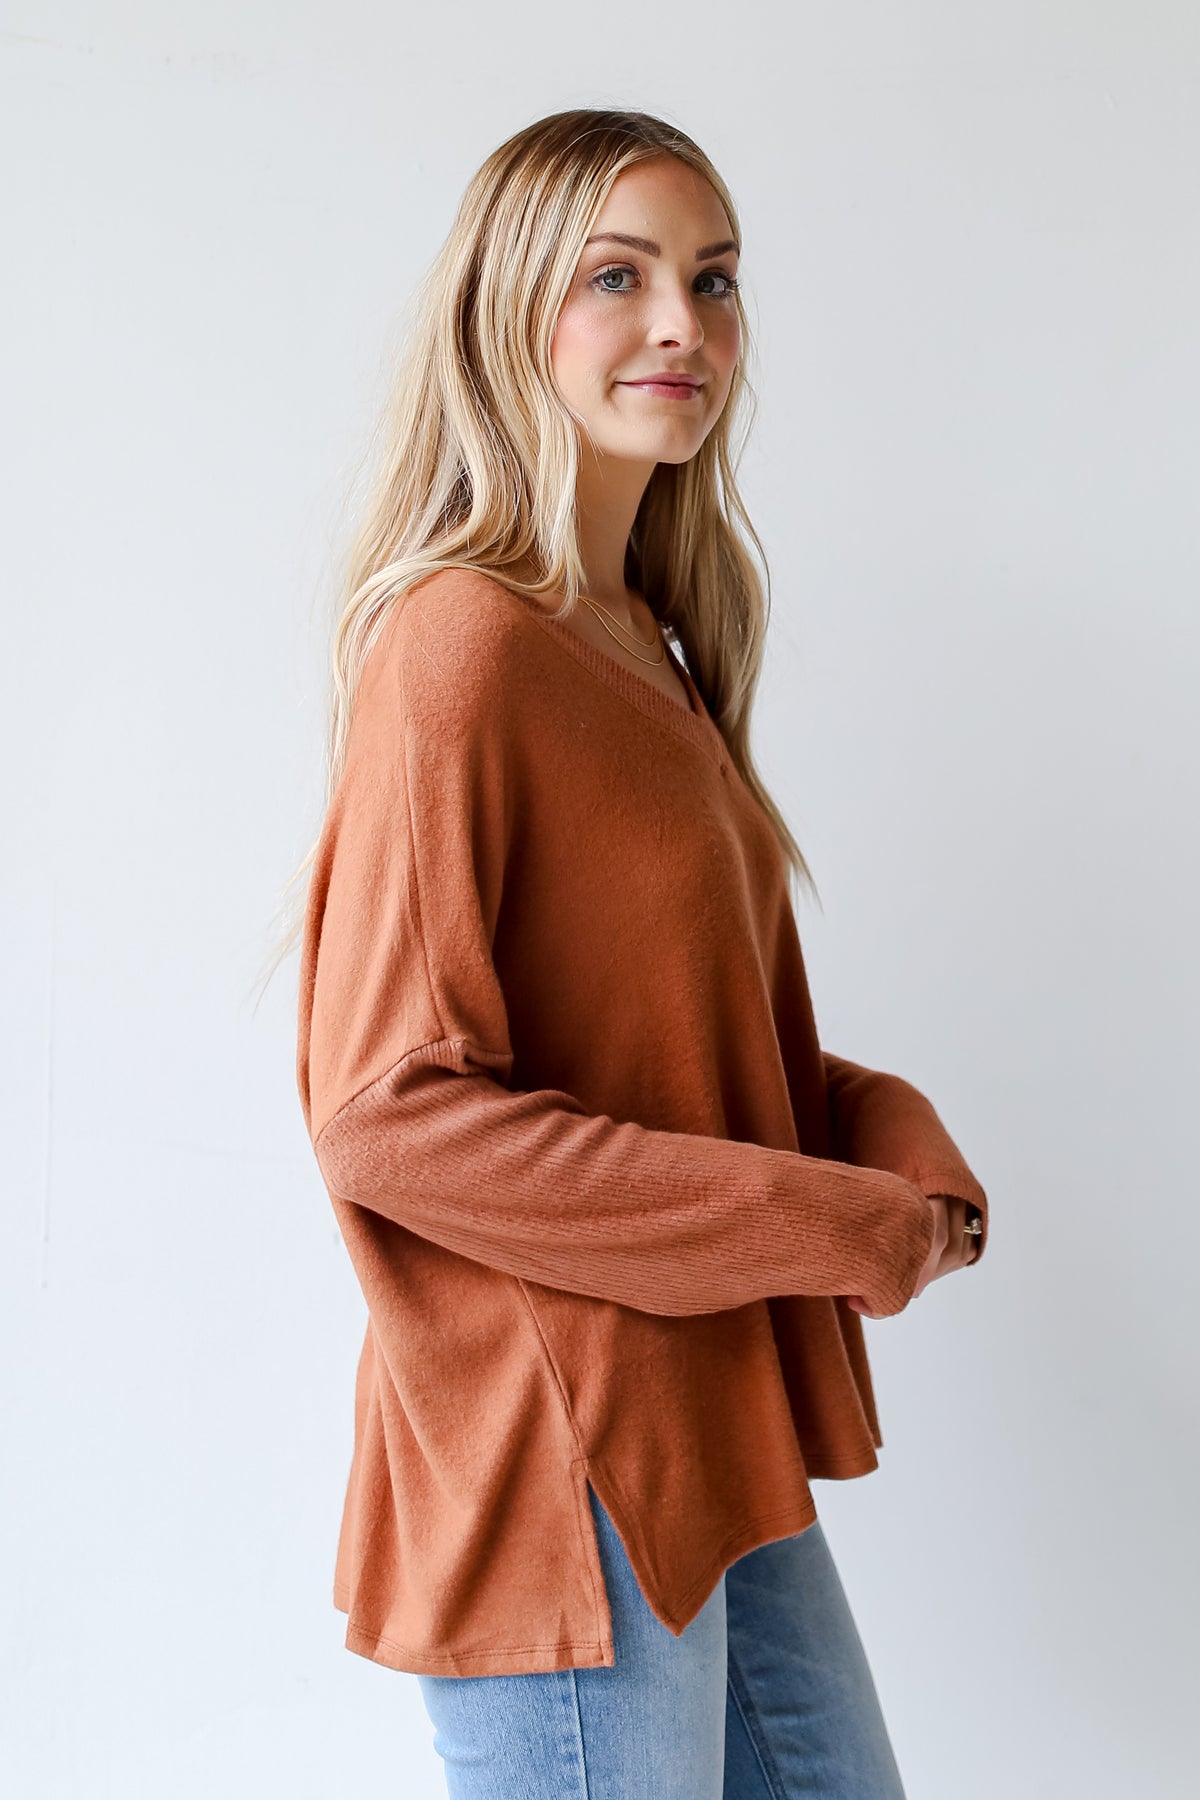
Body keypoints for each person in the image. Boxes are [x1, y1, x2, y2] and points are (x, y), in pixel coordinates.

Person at [284, 107, 988, 1798]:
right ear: (509, 309)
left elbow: (681, 1039)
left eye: (714, 279)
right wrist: (815, 1217)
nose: (684, 323)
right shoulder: (461, 643)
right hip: (563, 1452)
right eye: (619, 276)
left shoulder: (646, 642)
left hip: (703, 1413)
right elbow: (387, 1114)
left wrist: (886, 1131)